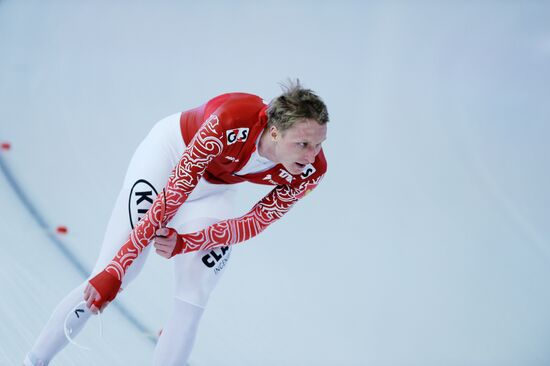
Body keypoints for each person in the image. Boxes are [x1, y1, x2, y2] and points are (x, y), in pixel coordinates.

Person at [24, 80, 329, 366]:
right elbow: (173, 192)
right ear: (274, 132)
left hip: (216, 189)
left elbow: (255, 221)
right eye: (303, 145)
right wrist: (116, 268)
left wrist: (188, 242)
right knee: (114, 274)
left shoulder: (313, 170)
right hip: (169, 158)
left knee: (193, 295)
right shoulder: (230, 121)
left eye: (318, 145)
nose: (312, 156)